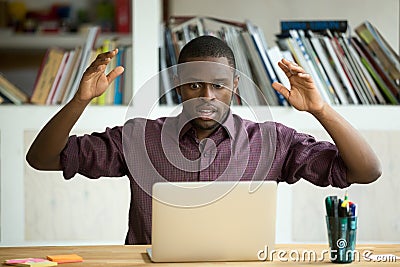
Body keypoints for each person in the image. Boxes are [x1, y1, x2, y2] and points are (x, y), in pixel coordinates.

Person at [26, 35, 381, 245]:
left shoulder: (273, 141)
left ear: (235, 88)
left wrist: (320, 110)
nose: (206, 96)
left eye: (219, 86)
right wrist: (80, 100)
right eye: (194, 84)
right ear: (179, 85)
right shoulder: (139, 138)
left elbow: (366, 171)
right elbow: (42, 158)